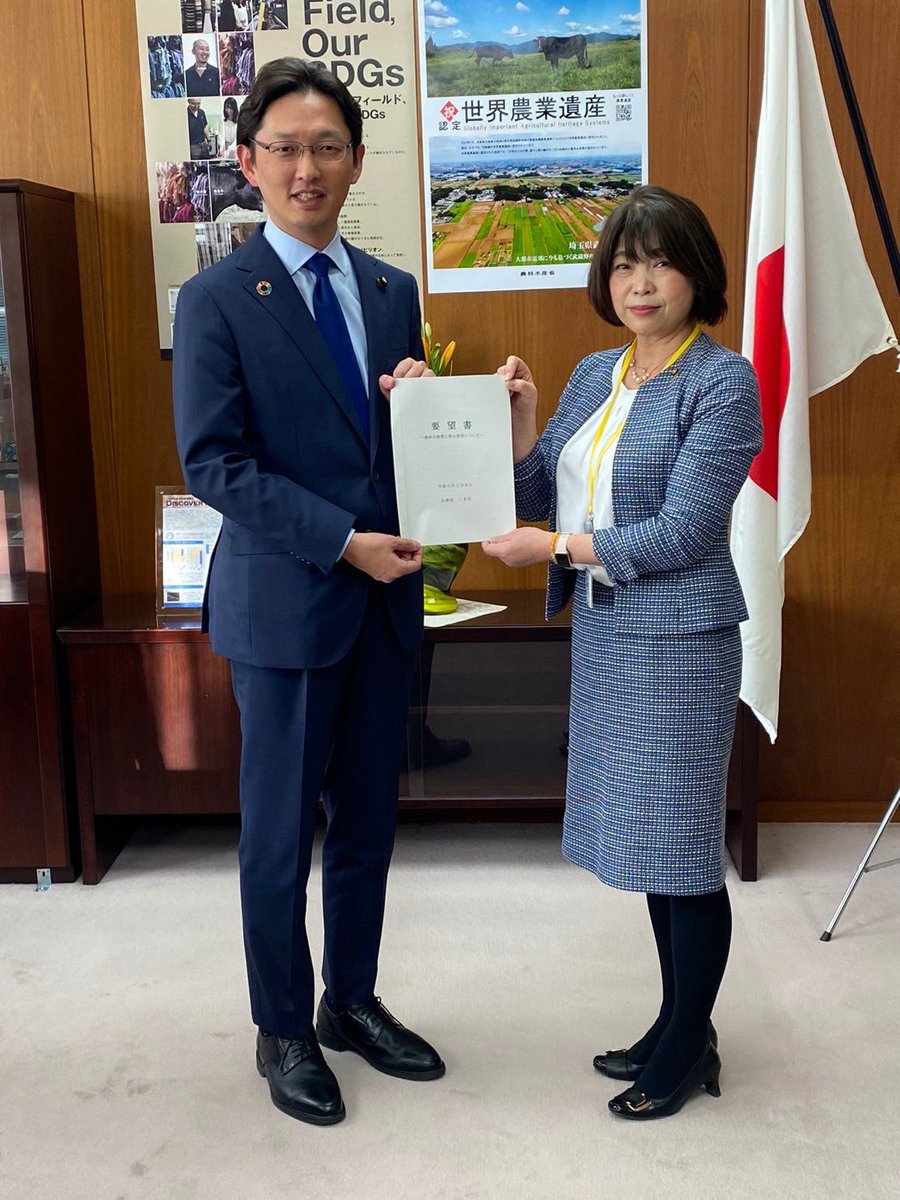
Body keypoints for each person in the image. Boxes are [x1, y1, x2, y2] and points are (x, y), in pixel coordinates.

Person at [172, 58, 445, 1127]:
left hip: (383, 608)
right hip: (286, 607)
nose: (306, 167)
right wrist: (343, 542)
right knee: (281, 836)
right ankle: (281, 1026)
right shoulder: (215, 298)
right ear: (247, 163)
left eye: (327, 146)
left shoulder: (391, 291)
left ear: (357, 161)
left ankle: (352, 1001)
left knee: (369, 821)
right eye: (284, 148)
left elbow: (397, 453)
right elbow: (214, 464)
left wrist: (424, 406)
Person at [483, 186, 763, 1120]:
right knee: (650, 844)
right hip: (608, 634)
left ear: (697, 274)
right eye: (624, 265)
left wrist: (555, 549)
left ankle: (686, 1045)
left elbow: (686, 530)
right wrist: (524, 419)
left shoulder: (722, 381)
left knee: (682, 849)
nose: (641, 283)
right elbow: (538, 489)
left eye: (661, 263)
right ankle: (676, 1022)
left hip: (680, 640)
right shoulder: (596, 372)